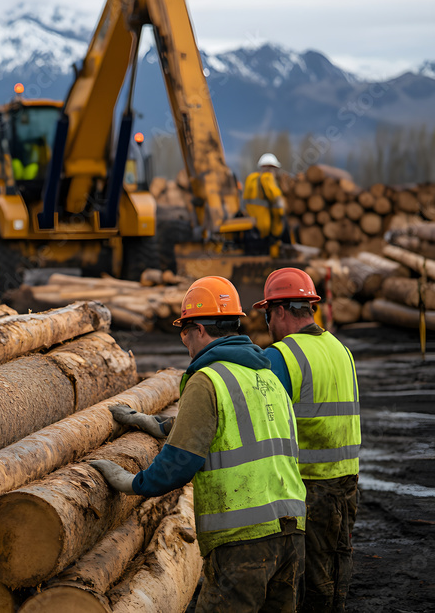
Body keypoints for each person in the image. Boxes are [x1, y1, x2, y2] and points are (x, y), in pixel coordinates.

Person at [91, 275, 306, 613]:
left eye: (184, 331)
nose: (184, 341)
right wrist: (162, 425)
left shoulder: (208, 379)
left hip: (243, 539)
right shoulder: (267, 376)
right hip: (292, 531)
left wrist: (131, 482)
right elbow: (240, 428)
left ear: (200, 330)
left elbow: (180, 462)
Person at [255, 267, 360, 613]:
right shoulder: (340, 349)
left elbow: (258, 422)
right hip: (347, 482)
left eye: (268, 314)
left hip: (309, 487)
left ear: (281, 311)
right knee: (337, 567)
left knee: (310, 584)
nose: (268, 324)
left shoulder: (282, 356)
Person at [243, 153, 287, 254]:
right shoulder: (267, 179)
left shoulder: (251, 179)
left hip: (250, 229)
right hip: (265, 231)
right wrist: (277, 232)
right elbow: (278, 209)